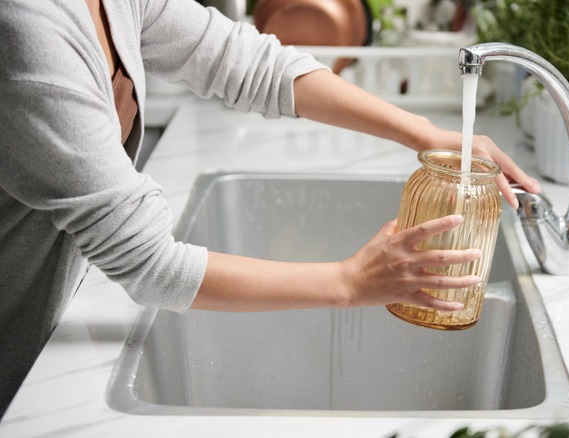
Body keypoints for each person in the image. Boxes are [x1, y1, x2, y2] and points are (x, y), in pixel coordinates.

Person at [0, 0, 540, 417]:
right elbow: (151, 265)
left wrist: (427, 135)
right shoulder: (28, 37)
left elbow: (244, 62)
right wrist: (352, 281)